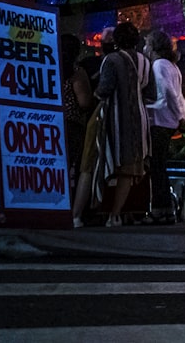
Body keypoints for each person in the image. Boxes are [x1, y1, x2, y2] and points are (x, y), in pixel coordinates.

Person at [72, 21, 155, 228]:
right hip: (138, 121)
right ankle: (115, 216)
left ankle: (76, 216)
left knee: (90, 164)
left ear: (116, 41)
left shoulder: (111, 60)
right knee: (127, 169)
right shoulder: (145, 62)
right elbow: (151, 94)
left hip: (110, 118)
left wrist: (95, 93)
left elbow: (104, 90)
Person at [145, 30, 185, 224]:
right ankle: (165, 209)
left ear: (153, 47)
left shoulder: (158, 65)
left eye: (147, 44)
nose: (144, 48)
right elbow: (178, 94)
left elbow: (167, 93)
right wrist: (182, 115)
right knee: (160, 166)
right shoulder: (172, 66)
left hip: (160, 120)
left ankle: (159, 209)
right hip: (169, 121)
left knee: (157, 167)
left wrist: (146, 107)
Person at [60, 34, 94, 183]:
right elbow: (84, 102)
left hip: (49, 124)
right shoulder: (76, 72)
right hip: (71, 125)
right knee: (70, 165)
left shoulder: (48, 67)